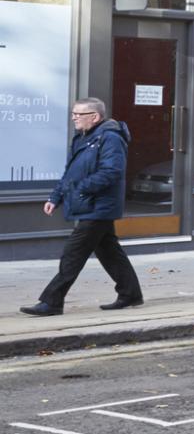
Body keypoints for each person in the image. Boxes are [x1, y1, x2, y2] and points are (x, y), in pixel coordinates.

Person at [23, 97, 144, 316]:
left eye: (78, 114)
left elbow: (112, 171)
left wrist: (80, 189)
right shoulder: (82, 138)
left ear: (95, 116)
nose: (74, 118)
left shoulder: (110, 138)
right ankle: (131, 294)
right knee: (109, 252)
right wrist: (55, 196)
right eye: (73, 114)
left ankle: (52, 301)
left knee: (73, 253)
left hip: (99, 205)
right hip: (90, 203)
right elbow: (70, 172)